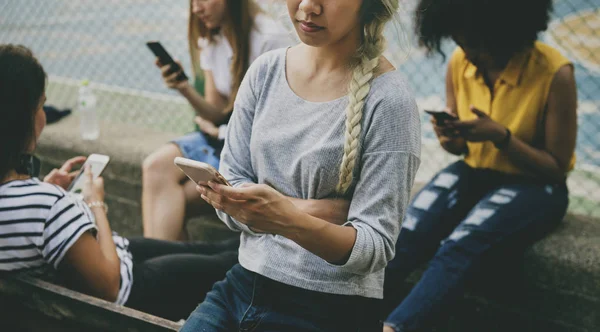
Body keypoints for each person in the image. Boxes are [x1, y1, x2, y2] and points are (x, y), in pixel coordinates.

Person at [181, 0, 421, 330]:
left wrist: (288, 219)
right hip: (241, 286)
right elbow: (230, 187)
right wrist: (315, 210)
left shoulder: (390, 100)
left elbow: (374, 246)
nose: (308, 6)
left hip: (328, 309)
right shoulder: (264, 72)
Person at [0, 44, 250, 321]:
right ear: (22, 119)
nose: (44, 115)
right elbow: (110, 286)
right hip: (131, 290)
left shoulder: (29, 199)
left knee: (218, 249)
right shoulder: (46, 206)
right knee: (233, 261)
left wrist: (47, 190)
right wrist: (95, 203)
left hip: (116, 260)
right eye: (40, 105)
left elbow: (32, 220)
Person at [382, 0, 577, 330]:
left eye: (474, 45)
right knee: (407, 233)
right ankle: (343, 306)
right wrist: (449, 135)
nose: (466, 53)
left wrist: (501, 137)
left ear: (504, 35)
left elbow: (556, 168)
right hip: (475, 171)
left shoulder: (555, 73)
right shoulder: (460, 61)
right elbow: (459, 150)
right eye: (459, 43)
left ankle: (396, 326)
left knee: (461, 245)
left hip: (536, 185)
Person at [142, 0, 293, 241]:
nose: (196, 9)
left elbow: (278, 123)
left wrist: (219, 131)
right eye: (192, 2)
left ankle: (159, 267)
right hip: (221, 137)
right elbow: (215, 111)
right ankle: (161, 264)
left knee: (172, 199)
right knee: (154, 166)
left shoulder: (269, 38)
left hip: (248, 149)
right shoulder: (211, 38)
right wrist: (184, 88)